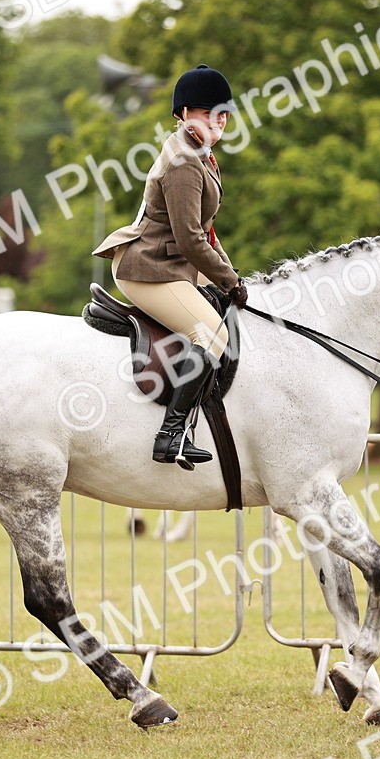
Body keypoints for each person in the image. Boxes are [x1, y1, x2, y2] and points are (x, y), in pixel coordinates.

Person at [91, 64, 247, 469]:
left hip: (171, 264)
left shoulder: (200, 154)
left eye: (224, 113)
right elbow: (190, 239)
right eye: (207, 112)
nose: (219, 120)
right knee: (212, 335)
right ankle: (170, 435)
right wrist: (228, 280)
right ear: (182, 114)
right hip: (149, 268)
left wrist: (232, 277)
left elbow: (206, 233)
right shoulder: (183, 162)